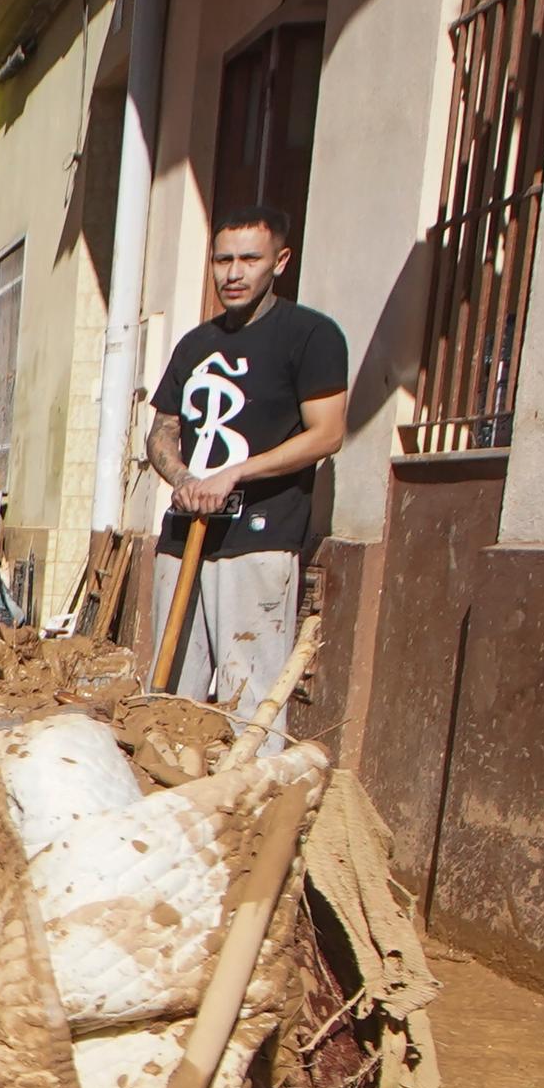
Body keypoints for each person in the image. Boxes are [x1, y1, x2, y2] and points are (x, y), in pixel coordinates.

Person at [144, 203, 347, 734]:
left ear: (279, 261)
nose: (233, 274)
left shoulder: (309, 336)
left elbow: (326, 434)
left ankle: (250, 809)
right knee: (165, 701)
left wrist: (235, 474)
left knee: (248, 694)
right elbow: (163, 430)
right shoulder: (195, 344)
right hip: (184, 535)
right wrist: (185, 478)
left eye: (249, 259)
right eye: (223, 260)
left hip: (259, 537)